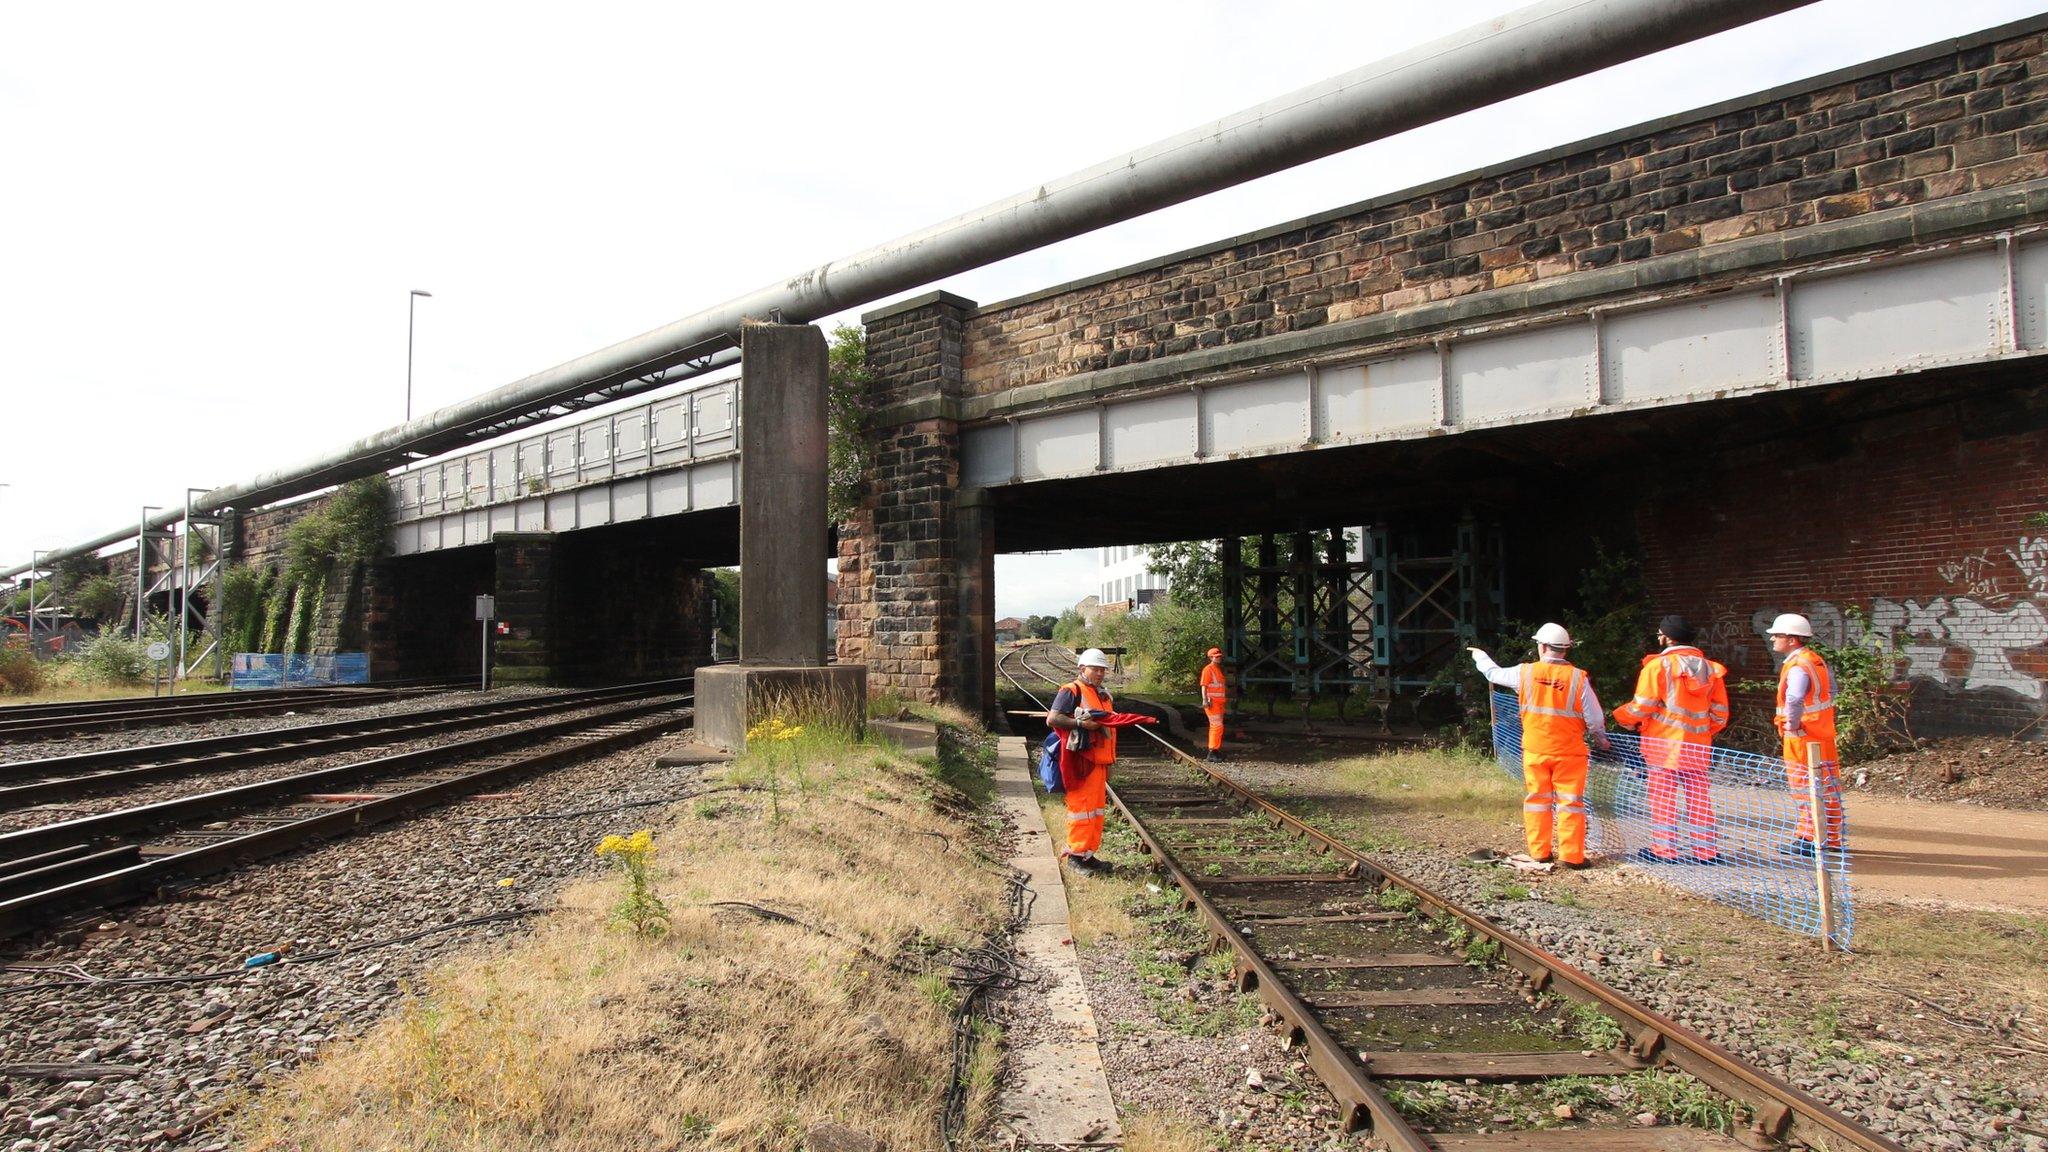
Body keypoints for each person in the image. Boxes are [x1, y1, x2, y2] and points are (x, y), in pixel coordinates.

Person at [1469, 623, 1611, 868]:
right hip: (1570, 753)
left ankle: (1540, 853)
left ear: (1542, 647)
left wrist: (1480, 656)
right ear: (1565, 650)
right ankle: (1572, 857)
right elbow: (1595, 718)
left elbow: (1493, 674)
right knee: (1571, 803)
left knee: (1537, 801)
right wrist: (1601, 738)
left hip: (1535, 750)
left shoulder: (1524, 673)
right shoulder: (1578, 678)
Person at [1612, 615, 1730, 864]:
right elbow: (1720, 714)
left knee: (1663, 799)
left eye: (1659, 633)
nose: (1658, 637)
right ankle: (1706, 852)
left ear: (1668, 636)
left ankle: (1664, 851)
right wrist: (1702, 733)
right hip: (1697, 747)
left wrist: (1621, 717)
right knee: (1699, 799)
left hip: (1663, 747)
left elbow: (1642, 707)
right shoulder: (1710, 669)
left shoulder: (1657, 667)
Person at [1769, 613, 1844, 856]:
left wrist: (1790, 724)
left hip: (1802, 736)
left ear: (1792, 639)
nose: (1773, 640)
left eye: (1777, 635)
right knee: (1827, 786)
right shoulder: (1815, 660)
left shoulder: (1798, 665)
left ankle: (1809, 839)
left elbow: (1794, 698)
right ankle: (1829, 838)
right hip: (1821, 734)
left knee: (1804, 787)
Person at [1048, 647, 1119, 871]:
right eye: (1095, 669)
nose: (1099, 673)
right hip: (1082, 761)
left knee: (1095, 811)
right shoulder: (1071, 690)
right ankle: (1075, 856)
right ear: (1082, 668)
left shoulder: (1102, 694)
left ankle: (1088, 854)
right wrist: (1081, 723)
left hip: (1099, 760)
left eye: (1102, 670)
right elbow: (1053, 719)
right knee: (1082, 810)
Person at [1200, 646, 1229, 762]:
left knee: (1218, 727)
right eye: (1216, 657)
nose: (1219, 658)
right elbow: (1204, 685)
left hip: (1219, 703)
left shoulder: (1217, 669)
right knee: (1216, 726)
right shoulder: (1208, 669)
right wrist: (1204, 700)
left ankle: (1215, 750)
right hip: (1212, 703)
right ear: (1211, 657)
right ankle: (1212, 752)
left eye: (1219, 656)